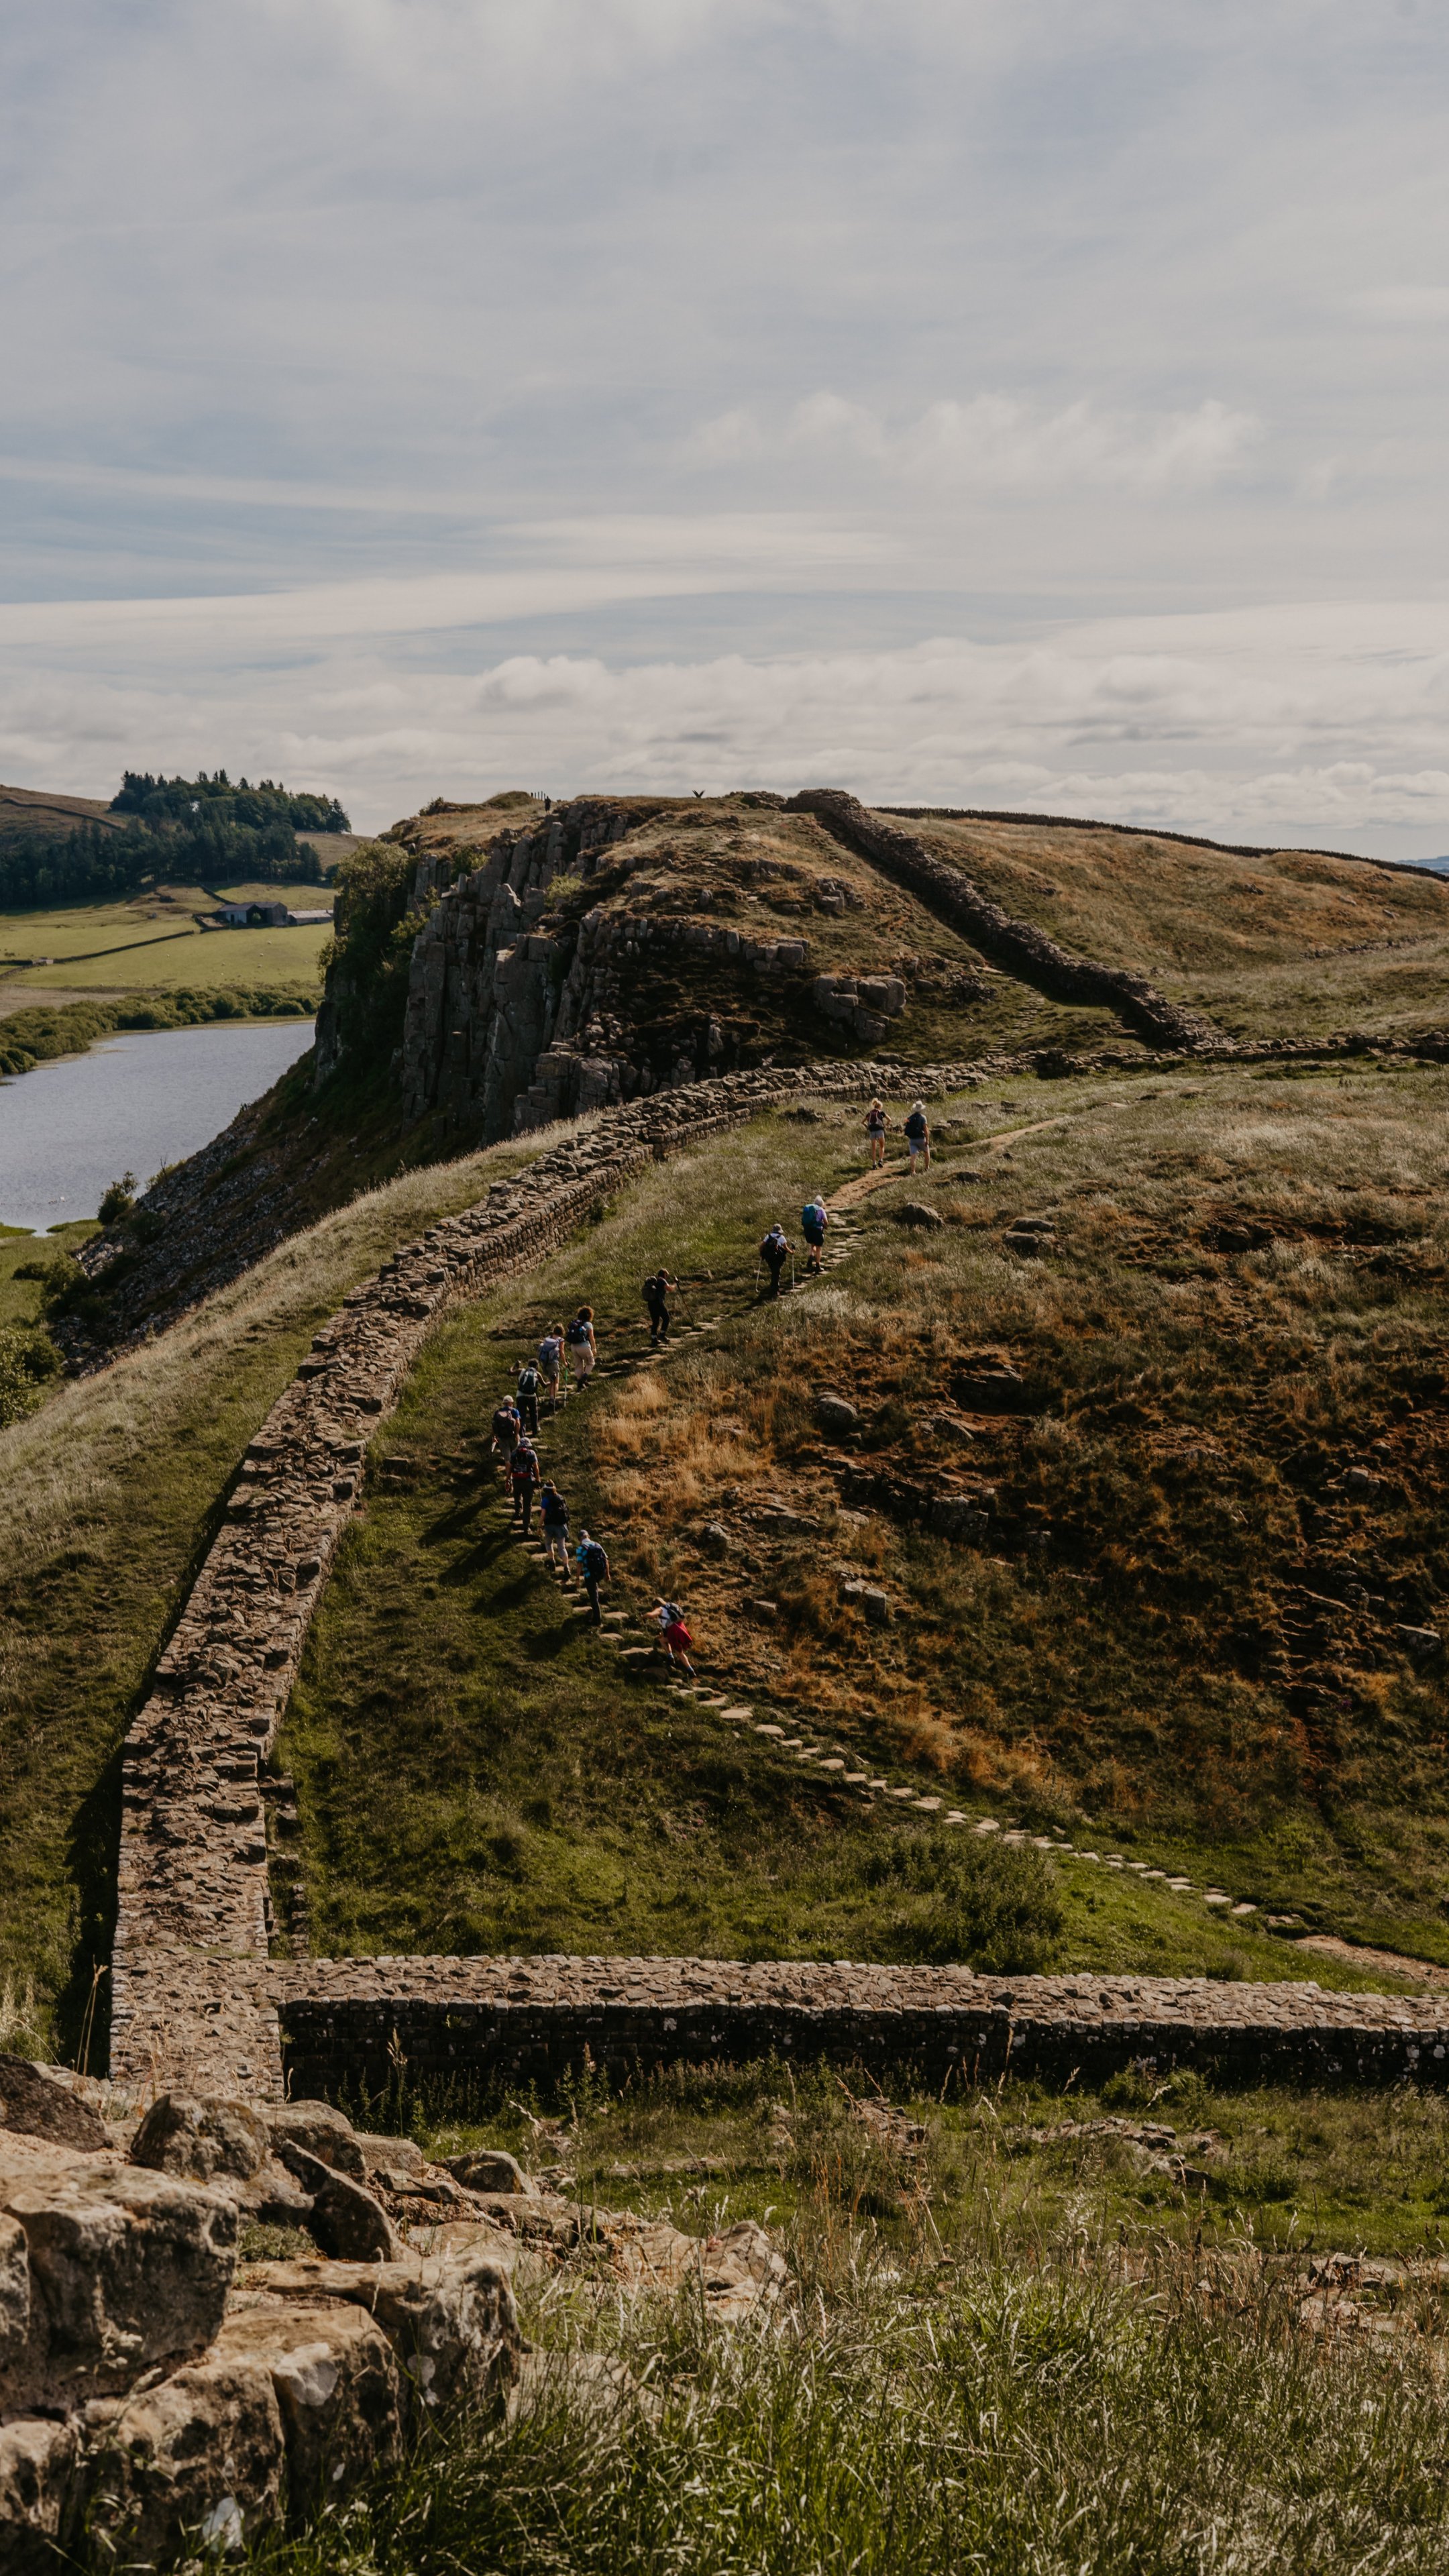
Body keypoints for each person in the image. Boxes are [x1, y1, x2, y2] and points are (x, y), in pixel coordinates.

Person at [651, 1597, 696, 1676]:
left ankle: (689, 1669)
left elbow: (665, 1629)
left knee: (679, 1653)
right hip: (681, 1628)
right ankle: (672, 1658)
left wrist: (659, 1636)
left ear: (656, 1606)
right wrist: (660, 1636)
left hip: (674, 1632)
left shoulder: (662, 1612)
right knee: (664, 1640)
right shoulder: (670, 1607)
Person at [576, 1527, 610, 1623]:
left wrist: (577, 1578)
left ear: (580, 1539)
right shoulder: (597, 1545)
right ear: (588, 1536)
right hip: (600, 1572)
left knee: (593, 1597)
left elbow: (579, 1565)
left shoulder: (580, 1549)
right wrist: (607, 1574)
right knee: (595, 1591)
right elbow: (606, 1560)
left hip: (589, 1574)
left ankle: (597, 1620)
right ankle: (595, 1611)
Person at [509, 1436, 541, 1532]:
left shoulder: (514, 1453)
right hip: (528, 1481)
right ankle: (526, 1526)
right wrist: (538, 1479)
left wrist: (508, 1479)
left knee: (517, 1496)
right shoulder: (531, 1453)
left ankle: (518, 1512)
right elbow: (536, 1467)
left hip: (516, 1480)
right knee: (527, 1504)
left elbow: (510, 1467)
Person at [540, 1479, 570, 1573]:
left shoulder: (545, 1500)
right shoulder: (561, 1498)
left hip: (549, 1525)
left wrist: (539, 1526)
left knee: (549, 1544)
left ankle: (552, 1561)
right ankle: (566, 1567)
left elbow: (543, 1515)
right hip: (561, 1525)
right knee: (562, 1547)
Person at [490, 1396, 521, 1481]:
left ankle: (509, 1479)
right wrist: (516, 1435)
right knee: (517, 1457)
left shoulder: (498, 1412)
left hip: (502, 1439)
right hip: (513, 1437)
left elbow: (493, 1426)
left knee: (507, 1461)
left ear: (504, 1403)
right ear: (511, 1403)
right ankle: (518, 1476)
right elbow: (518, 1423)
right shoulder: (514, 1411)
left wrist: (494, 1437)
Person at [643, 1269, 678, 1344]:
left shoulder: (654, 1281)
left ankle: (654, 1339)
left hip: (651, 1304)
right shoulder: (662, 1280)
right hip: (658, 1303)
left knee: (655, 1322)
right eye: (667, 1275)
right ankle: (662, 1335)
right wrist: (675, 1283)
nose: (667, 1277)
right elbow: (670, 1289)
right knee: (666, 1318)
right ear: (664, 1274)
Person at [566, 1305, 598, 1386]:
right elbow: (591, 1337)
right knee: (591, 1363)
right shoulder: (588, 1324)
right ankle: (584, 1378)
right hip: (584, 1346)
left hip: (574, 1347)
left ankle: (580, 1383)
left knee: (578, 1365)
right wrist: (594, 1348)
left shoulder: (575, 1323)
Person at [759, 1224, 790, 1298]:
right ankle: (775, 1290)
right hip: (777, 1257)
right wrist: (792, 1252)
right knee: (776, 1272)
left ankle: (773, 1287)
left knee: (774, 1271)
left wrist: (761, 1254)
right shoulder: (782, 1237)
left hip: (769, 1257)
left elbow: (761, 1246)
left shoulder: (768, 1236)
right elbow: (786, 1248)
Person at [537, 1324, 564, 1408]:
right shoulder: (560, 1340)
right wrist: (565, 1362)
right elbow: (562, 1352)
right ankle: (552, 1399)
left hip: (545, 1363)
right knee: (556, 1381)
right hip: (553, 1362)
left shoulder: (548, 1338)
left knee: (550, 1380)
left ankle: (550, 1397)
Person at [801, 1196, 828, 1275]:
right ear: (821, 1204)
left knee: (812, 1245)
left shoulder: (808, 1208)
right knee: (819, 1248)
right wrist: (825, 1227)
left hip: (808, 1230)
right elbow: (826, 1222)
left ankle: (811, 1256)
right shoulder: (821, 1210)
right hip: (817, 1230)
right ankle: (818, 1265)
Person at [515, 1356, 541, 1436]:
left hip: (520, 1395)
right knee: (534, 1413)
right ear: (537, 1366)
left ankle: (521, 1433)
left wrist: (515, 1366)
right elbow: (545, 1385)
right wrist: (552, 1380)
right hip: (532, 1396)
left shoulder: (522, 1371)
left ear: (528, 1365)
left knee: (522, 1414)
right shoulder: (537, 1374)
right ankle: (535, 1430)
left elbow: (509, 1372)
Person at [905, 1099, 930, 1173]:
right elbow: (925, 1129)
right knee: (926, 1152)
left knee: (913, 1156)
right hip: (921, 1139)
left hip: (912, 1139)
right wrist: (927, 1140)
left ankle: (913, 1172)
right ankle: (927, 1168)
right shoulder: (923, 1117)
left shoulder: (910, 1118)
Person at [864, 1099, 888, 1168]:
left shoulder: (870, 1113)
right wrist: (885, 1125)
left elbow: (862, 1122)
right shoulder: (881, 1112)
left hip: (872, 1131)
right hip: (880, 1130)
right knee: (882, 1146)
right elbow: (890, 1120)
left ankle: (874, 1164)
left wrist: (867, 1127)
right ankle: (880, 1160)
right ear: (880, 1106)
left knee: (874, 1149)